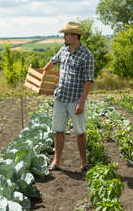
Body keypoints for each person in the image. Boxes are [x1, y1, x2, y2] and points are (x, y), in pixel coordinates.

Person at [43, 21, 94, 173]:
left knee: (80, 132)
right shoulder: (63, 50)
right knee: (58, 130)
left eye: (66, 34)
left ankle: (84, 163)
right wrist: (41, 73)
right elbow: (53, 62)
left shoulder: (86, 55)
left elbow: (88, 80)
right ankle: (56, 161)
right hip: (60, 96)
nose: (64, 37)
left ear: (75, 36)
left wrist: (81, 102)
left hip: (75, 99)